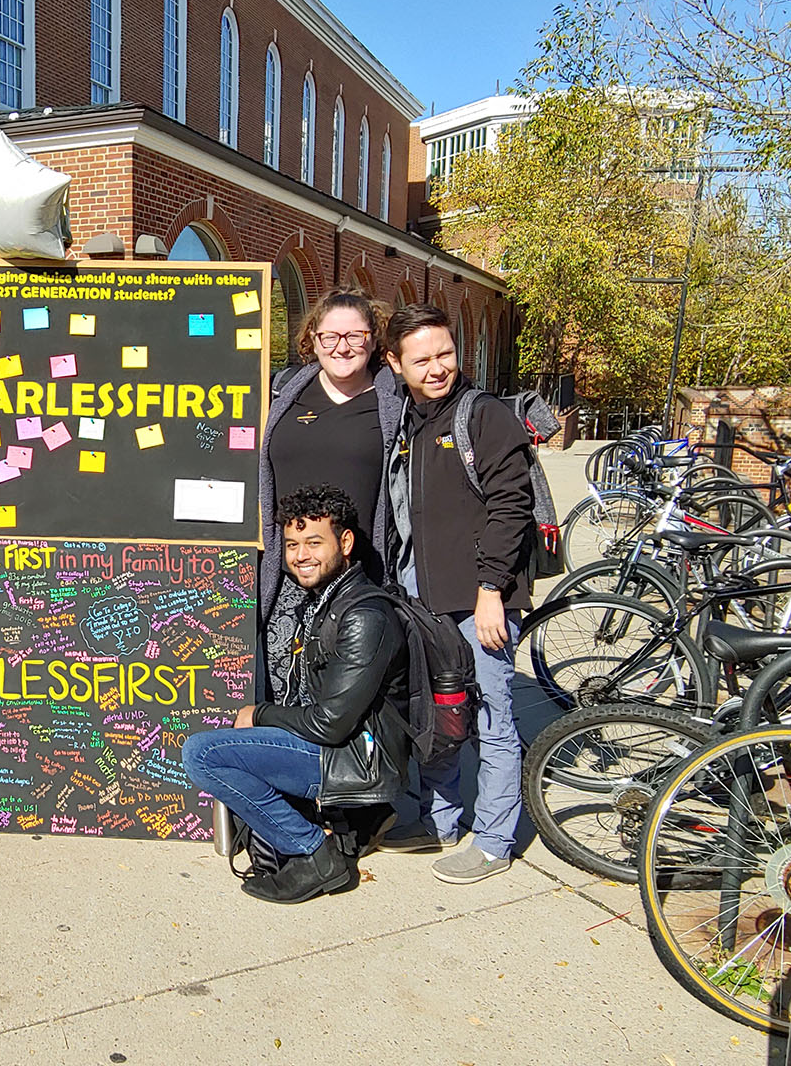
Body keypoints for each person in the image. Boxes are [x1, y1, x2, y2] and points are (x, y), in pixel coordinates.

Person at [183, 485, 408, 904]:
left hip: (356, 762)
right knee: (222, 745)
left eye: (313, 542)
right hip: (341, 750)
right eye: (291, 544)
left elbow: (330, 723)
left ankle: (315, 852)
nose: (301, 555)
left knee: (203, 754)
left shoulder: (364, 615)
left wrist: (261, 714)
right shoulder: (328, 599)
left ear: (345, 542)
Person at [375, 304, 535, 884]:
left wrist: (492, 587)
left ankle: (494, 839)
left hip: (480, 595)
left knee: (492, 714)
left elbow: (510, 505)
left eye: (445, 353)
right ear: (395, 364)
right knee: (438, 712)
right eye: (422, 359)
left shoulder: (483, 415)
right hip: (424, 592)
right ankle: (440, 820)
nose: (438, 366)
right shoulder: (409, 422)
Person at [258, 289, 401, 614]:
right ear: (313, 337)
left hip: (360, 583)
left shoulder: (395, 404)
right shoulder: (281, 394)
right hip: (286, 583)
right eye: (330, 336)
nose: (342, 347)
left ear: (374, 338)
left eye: (355, 335)